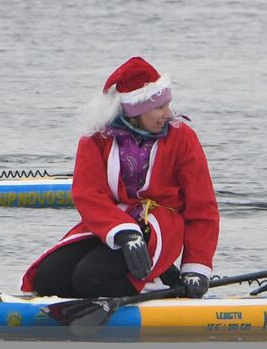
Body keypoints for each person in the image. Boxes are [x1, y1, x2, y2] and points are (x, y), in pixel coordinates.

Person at [22, 57, 220, 299]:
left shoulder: (183, 137)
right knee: (48, 279)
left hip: (159, 226)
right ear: (135, 111)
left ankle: (162, 286)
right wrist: (125, 233)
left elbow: (203, 207)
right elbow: (88, 193)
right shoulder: (97, 137)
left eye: (168, 104)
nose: (168, 114)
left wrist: (196, 267)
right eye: (159, 107)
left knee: (89, 278)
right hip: (113, 224)